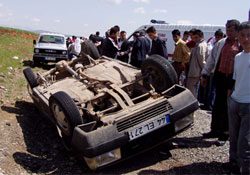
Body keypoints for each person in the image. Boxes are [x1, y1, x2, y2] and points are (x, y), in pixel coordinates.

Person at [201, 19, 241, 146]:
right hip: (220, 77)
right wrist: (205, 74)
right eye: (227, 30)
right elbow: (211, 59)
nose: (229, 32)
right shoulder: (221, 43)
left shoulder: (241, 45)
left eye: (231, 30)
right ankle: (215, 130)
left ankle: (225, 133)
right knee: (217, 105)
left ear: (237, 30)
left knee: (228, 107)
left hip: (233, 80)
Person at [226, 21, 250, 174]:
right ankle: (233, 164)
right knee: (233, 138)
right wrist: (230, 97)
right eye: (242, 35)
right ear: (238, 37)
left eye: (249, 35)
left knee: (245, 144)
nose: (246, 39)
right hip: (235, 102)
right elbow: (236, 79)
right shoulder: (239, 57)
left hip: (249, 105)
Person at [186, 29, 208, 98]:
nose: (194, 39)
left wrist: (204, 72)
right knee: (193, 88)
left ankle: (192, 102)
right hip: (195, 70)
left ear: (201, 36)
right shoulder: (199, 44)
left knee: (191, 89)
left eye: (196, 37)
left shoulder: (200, 45)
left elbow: (201, 60)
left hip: (195, 71)